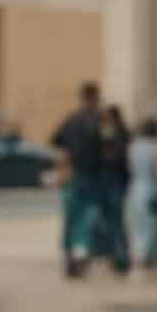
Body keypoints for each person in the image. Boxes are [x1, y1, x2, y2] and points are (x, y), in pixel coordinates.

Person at [51, 82, 103, 277]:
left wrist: (67, 160)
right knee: (86, 219)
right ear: (95, 98)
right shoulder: (99, 121)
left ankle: (71, 256)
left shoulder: (71, 120)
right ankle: (80, 255)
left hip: (73, 176)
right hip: (91, 177)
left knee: (72, 218)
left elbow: (56, 140)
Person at [128, 118, 157, 268]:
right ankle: (147, 257)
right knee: (151, 225)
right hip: (151, 188)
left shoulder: (133, 146)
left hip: (135, 189)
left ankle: (138, 255)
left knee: (137, 225)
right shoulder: (156, 147)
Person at [99, 103, 131, 271]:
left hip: (114, 183)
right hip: (115, 183)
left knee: (116, 222)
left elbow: (115, 158)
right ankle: (117, 257)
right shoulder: (121, 133)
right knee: (114, 222)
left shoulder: (117, 135)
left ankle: (120, 257)